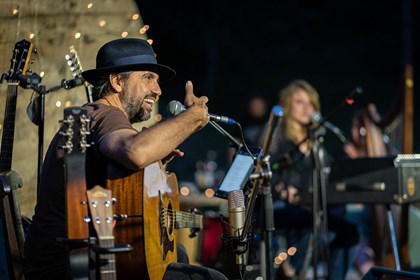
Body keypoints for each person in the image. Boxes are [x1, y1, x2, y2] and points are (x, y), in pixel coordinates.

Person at [23, 38, 228, 280]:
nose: (158, 89)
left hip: (65, 263)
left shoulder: (94, 115)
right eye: (148, 78)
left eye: (157, 81)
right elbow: (135, 151)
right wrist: (192, 119)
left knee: (178, 254)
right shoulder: (106, 115)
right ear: (117, 81)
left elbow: (124, 170)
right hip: (76, 268)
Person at [259, 79, 359, 279]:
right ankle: (291, 270)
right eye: (300, 102)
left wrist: (345, 156)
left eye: (311, 103)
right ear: (288, 105)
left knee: (349, 230)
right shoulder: (277, 135)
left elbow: (328, 172)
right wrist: (286, 192)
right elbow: (266, 169)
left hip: (311, 207)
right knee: (318, 227)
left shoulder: (315, 140)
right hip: (282, 206)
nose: (307, 108)